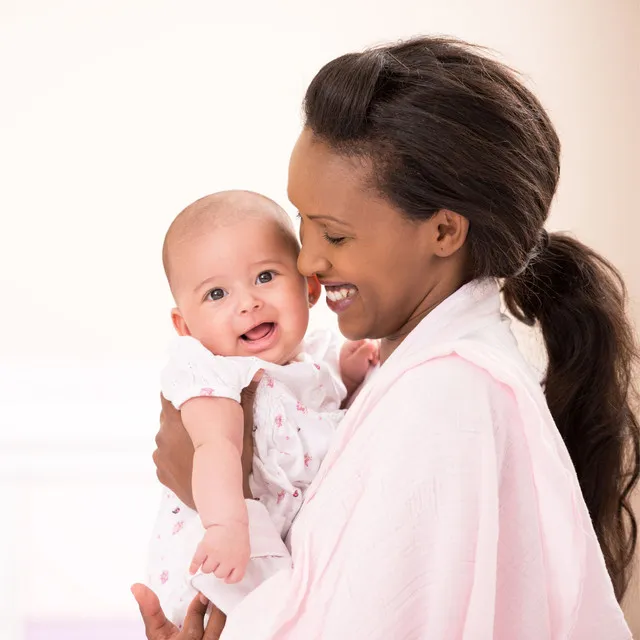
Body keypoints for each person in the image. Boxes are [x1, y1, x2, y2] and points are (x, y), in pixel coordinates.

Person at [133, 36, 639, 639]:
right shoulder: (393, 376)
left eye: (335, 235)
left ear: (444, 231)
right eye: (302, 223)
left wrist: (219, 493)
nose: (308, 261)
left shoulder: (449, 401)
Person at [148, 190, 378, 625]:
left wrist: (346, 379)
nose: (247, 303)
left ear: (309, 288)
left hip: (284, 566)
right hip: (220, 558)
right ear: (186, 327)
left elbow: (321, 417)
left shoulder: (313, 358)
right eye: (216, 293)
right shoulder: (214, 374)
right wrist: (226, 528)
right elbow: (215, 446)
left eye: (265, 277)